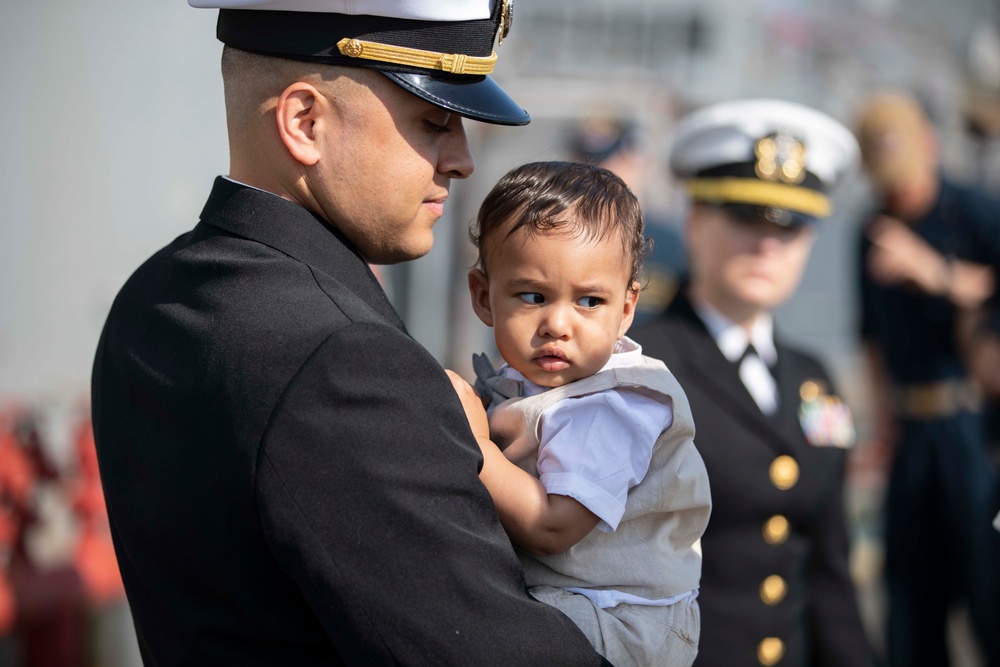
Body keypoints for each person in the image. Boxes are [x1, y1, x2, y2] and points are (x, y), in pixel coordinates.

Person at [90, 2, 612, 665]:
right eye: (434, 121)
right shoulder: (346, 363)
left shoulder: (154, 294)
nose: (461, 159)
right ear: (305, 122)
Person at [630, 99, 874, 667]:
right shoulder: (641, 365)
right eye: (745, 218)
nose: (768, 244)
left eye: (790, 229)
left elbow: (830, 571)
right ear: (694, 222)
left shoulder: (813, 378)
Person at [446, 160, 711, 667]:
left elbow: (551, 527)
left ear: (627, 308)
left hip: (622, 620)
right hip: (581, 601)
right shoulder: (533, 384)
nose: (558, 324)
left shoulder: (612, 404)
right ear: (484, 296)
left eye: (590, 300)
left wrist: (476, 447)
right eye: (532, 296)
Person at [853, 90, 1000, 667]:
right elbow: (869, 340)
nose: (900, 191)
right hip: (910, 428)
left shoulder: (973, 210)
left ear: (932, 148)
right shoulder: (871, 229)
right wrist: (880, 426)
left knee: (987, 584)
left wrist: (934, 271)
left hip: (973, 424)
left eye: (908, 174)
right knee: (910, 599)